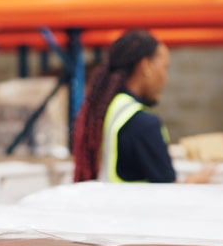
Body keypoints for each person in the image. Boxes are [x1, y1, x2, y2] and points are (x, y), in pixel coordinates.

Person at [72, 30, 214, 184]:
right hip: (135, 208)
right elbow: (170, 193)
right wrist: (199, 180)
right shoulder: (143, 124)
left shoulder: (107, 109)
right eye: (164, 67)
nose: (165, 79)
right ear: (146, 66)